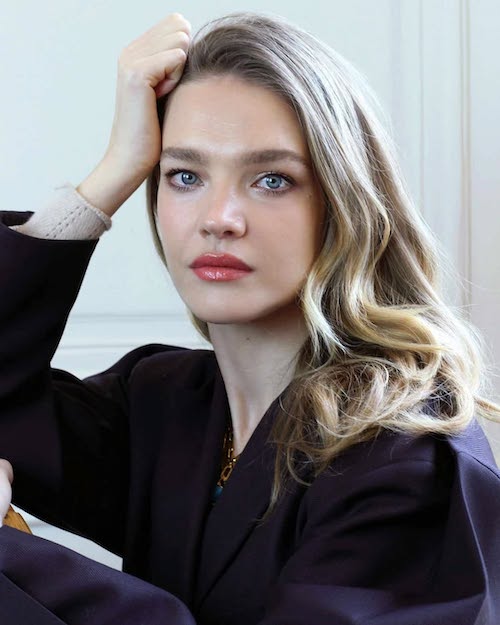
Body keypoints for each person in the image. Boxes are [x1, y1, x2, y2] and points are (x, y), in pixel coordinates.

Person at [1, 10, 500, 625]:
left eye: (271, 180)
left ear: (345, 205)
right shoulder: (165, 403)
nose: (219, 218)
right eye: (184, 175)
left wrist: (12, 555)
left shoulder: (411, 459)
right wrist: (110, 174)